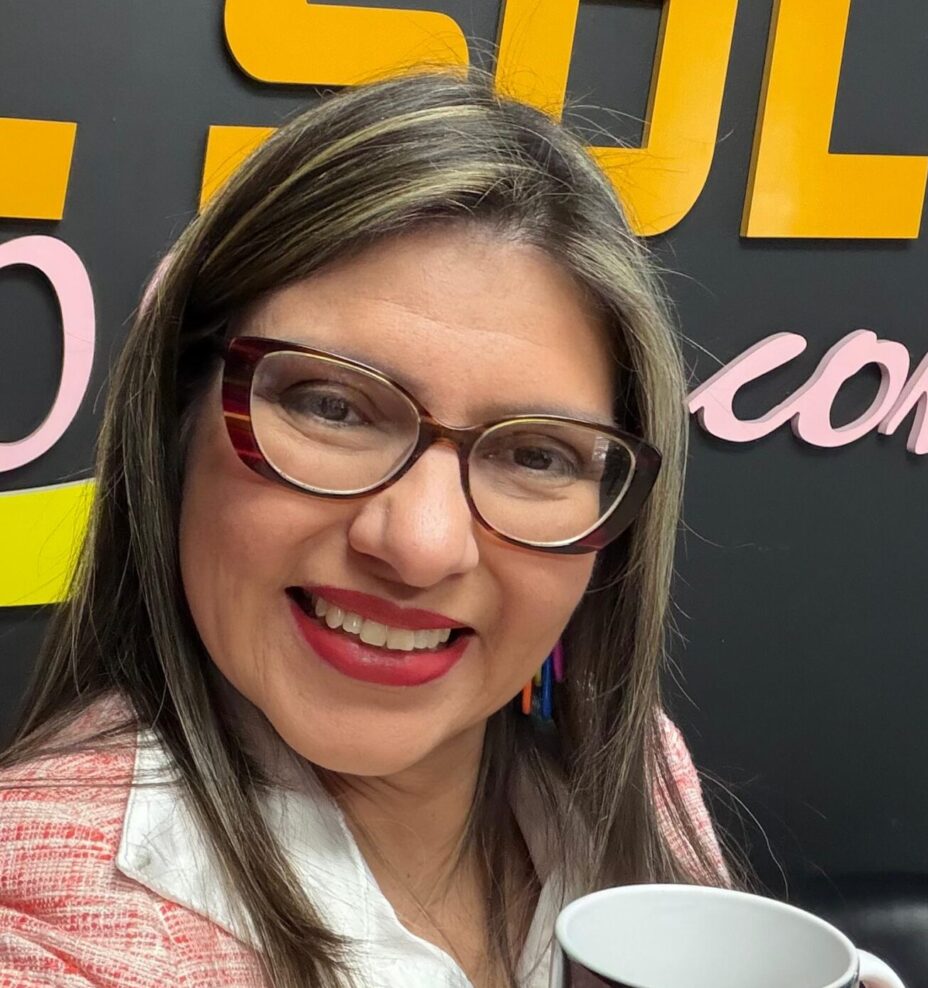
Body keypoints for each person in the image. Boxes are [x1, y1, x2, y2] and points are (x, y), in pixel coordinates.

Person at [0, 68, 733, 988]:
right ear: (176, 417)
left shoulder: (636, 768)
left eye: (537, 455)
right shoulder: (41, 925)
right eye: (332, 407)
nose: (421, 544)